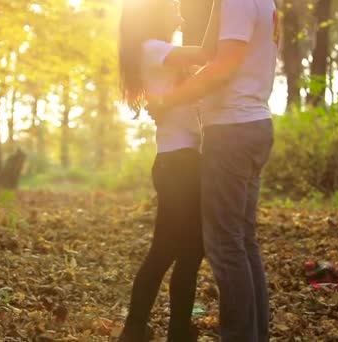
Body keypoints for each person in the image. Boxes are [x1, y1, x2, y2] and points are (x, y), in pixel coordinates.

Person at [147, 0, 278, 341]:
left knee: (224, 245)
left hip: (232, 131)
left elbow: (224, 66)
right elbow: (210, 52)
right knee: (243, 241)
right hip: (254, 124)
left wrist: (171, 99)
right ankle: (255, 335)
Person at [117, 0, 214, 341]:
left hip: (183, 161)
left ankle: (175, 331)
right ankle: (135, 329)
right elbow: (206, 55)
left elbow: (201, 73)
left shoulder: (159, 50)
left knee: (188, 249)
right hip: (177, 164)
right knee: (167, 250)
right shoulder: (155, 49)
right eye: (172, 4)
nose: (180, 9)